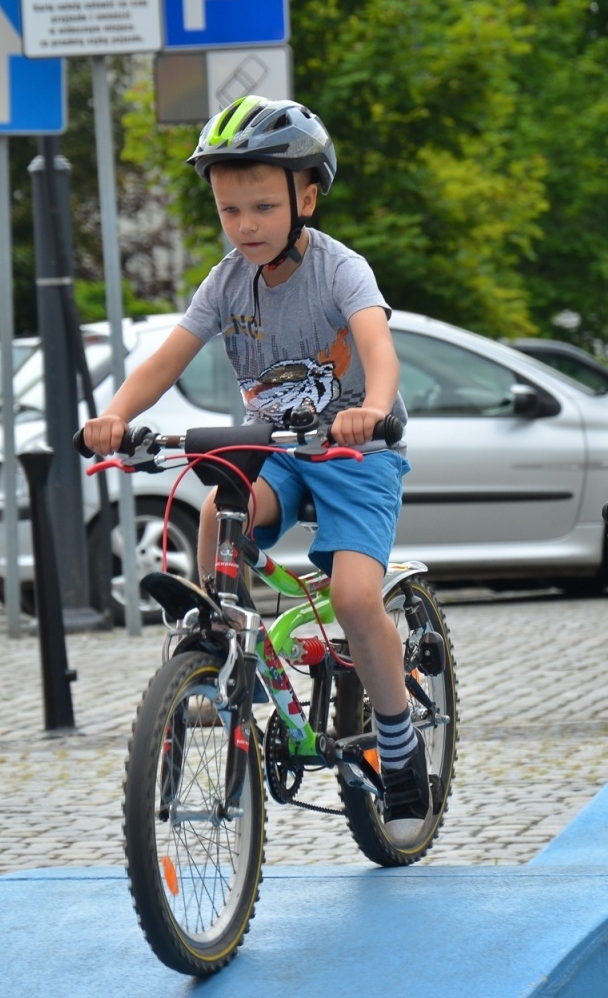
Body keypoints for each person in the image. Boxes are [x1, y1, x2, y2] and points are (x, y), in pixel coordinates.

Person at [80, 95, 431, 836]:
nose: (245, 225)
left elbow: (379, 349)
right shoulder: (225, 282)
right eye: (230, 210)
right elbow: (167, 359)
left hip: (354, 452)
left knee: (355, 597)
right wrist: (116, 416)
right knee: (218, 510)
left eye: (264, 207)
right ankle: (220, 642)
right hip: (277, 450)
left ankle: (400, 745)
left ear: (307, 199)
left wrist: (374, 407)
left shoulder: (341, 270)